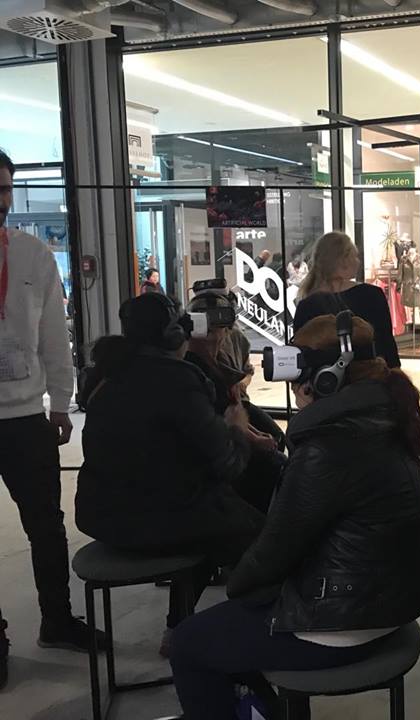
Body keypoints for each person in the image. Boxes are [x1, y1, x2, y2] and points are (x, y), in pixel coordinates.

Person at [168, 314, 420, 720]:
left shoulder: (329, 445)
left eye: (299, 374)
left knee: (188, 643)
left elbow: (273, 553)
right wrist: (273, 456)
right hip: (387, 602)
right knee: (232, 630)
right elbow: (329, 495)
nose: (294, 387)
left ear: (326, 378)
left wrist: (235, 589)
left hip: (341, 622)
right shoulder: (383, 418)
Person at [75, 293, 265, 650]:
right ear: (176, 337)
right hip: (156, 522)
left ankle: (179, 628)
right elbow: (230, 464)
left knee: (211, 513)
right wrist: (237, 429)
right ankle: (255, 639)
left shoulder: (106, 377)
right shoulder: (177, 381)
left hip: (104, 519)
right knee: (262, 535)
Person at [0, 150, 100, 690]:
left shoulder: (32, 253)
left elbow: (52, 337)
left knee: (45, 526)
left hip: (24, 418)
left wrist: (62, 401)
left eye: (4, 188)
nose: (0, 199)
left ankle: (57, 620)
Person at [186, 289, 283, 514]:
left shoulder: (221, 358)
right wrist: (254, 440)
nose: (213, 327)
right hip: (216, 452)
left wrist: (255, 435)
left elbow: (232, 406)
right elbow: (216, 419)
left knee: (276, 441)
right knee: (274, 464)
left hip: (229, 430)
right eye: (203, 318)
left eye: (219, 319)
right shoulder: (191, 369)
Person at [295, 231, 401, 368]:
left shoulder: (307, 304)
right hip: (368, 380)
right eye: (355, 256)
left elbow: (301, 353)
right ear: (344, 260)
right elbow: (386, 343)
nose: (358, 261)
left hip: (325, 383)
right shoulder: (371, 295)